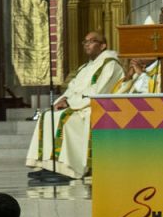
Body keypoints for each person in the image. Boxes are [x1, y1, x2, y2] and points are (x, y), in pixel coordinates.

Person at [25, 31, 122, 184]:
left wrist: (70, 103)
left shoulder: (110, 65)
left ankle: (69, 168)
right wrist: (63, 99)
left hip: (94, 108)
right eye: (85, 41)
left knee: (65, 119)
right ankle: (48, 164)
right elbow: (72, 88)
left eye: (92, 41)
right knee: (47, 116)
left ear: (103, 46)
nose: (87, 44)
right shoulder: (85, 67)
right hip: (78, 105)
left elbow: (98, 92)